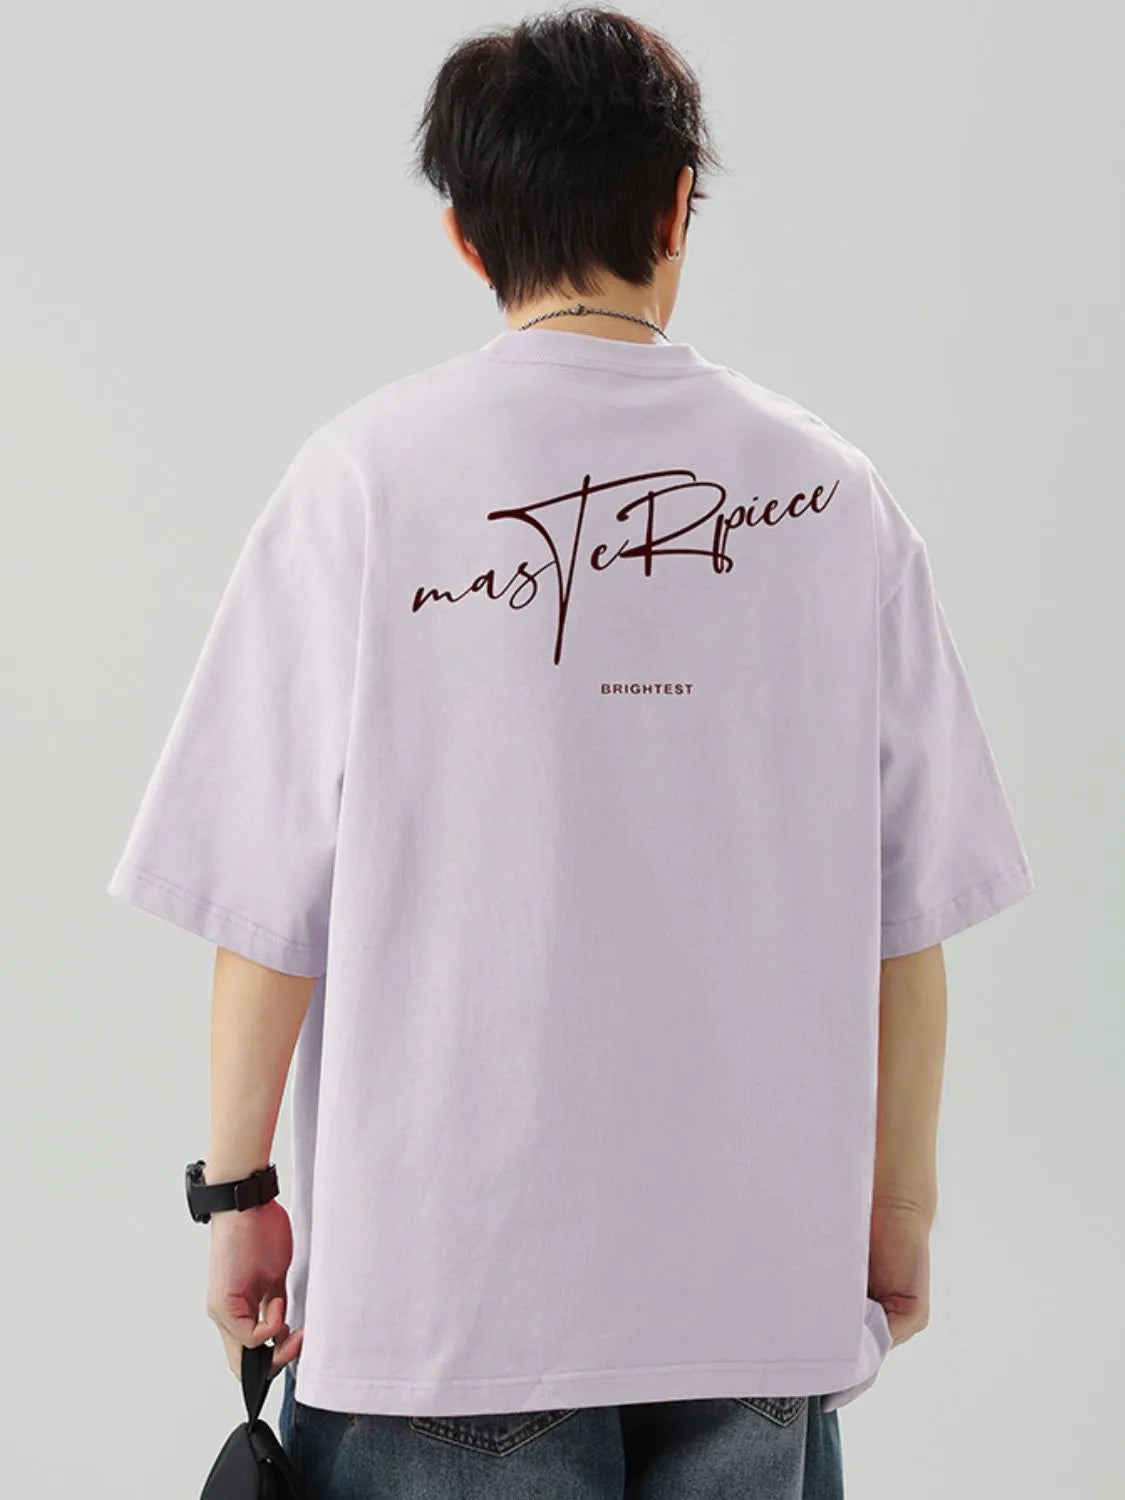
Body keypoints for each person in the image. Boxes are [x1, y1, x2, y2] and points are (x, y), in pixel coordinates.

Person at [106, 6, 1036, 1497]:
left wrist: (238, 1196)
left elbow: (266, 913)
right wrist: (897, 1212)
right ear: (676, 205)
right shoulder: (833, 498)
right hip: (757, 1296)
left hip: (449, 1298)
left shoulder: (365, 483)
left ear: (467, 235)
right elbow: (907, 918)